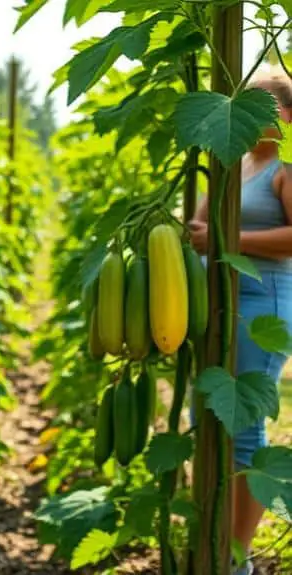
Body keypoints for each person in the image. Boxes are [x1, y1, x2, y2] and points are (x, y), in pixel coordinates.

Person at [187, 71, 292, 575]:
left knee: (244, 431)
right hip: (219, 303)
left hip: (260, 306)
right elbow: (203, 225)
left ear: (287, 117)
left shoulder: (286, 168)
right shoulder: (238, 162)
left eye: (264, 110)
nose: (252, 119)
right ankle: (208, 546)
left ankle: (237, 561)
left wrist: (227, 240)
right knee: (205, 419)